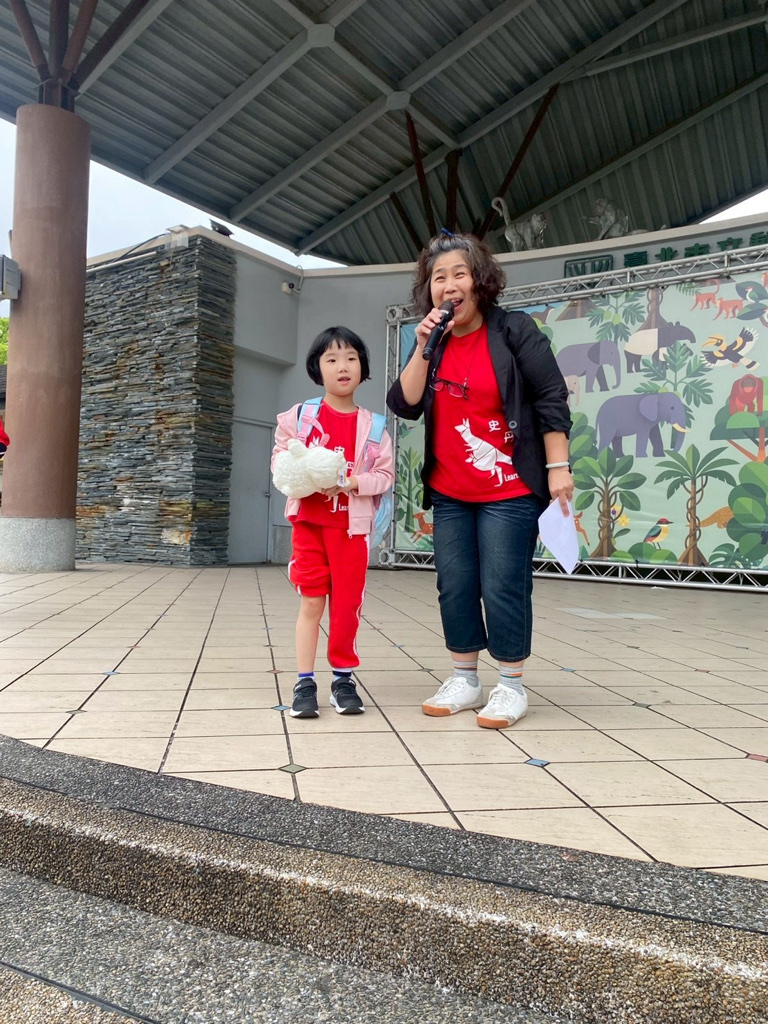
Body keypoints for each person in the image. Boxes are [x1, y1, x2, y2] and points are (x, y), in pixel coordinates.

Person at [386, 231, 572, 729]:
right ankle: (465, 679)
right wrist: (422, 346)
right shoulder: (435, 343)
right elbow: (403, 404)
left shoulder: (514, 331)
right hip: (450, 489)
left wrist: (558, 468)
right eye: (438, 278)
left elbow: (551, 398)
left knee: (502, 583)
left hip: (510, 488)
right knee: (455, 585)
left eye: (459, 274)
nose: (448, 285)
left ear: (480, 281)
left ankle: (510, 685)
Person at [272, 327, 394, 719]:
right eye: (332, 359)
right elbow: (280, 462)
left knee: (346, 606)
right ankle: (304, 682)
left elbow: (385, 477)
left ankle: (343, 680)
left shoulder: (375, 426)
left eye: (351, 358)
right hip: (309, 525)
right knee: (311, 601)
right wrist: (306, 474)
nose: (343, 367)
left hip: (351, 532)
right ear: (317, 368)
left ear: (363, 368)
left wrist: (352, 482)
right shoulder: (300, 417)